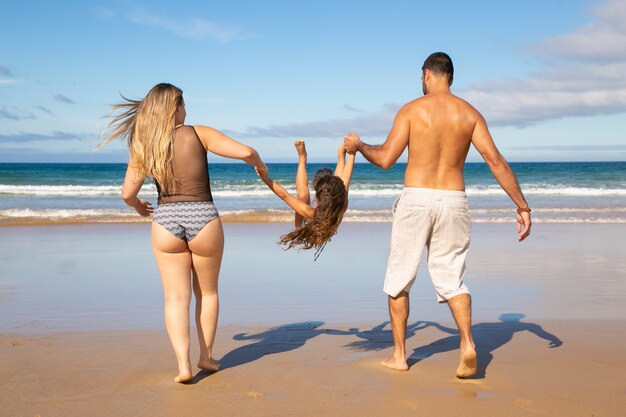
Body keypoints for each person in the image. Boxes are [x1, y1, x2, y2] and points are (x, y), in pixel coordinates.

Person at [344, 52, 531, 378]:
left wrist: (360, 146)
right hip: (454, 200)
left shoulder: (412, 110)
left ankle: (400, 356)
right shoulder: (469, 113)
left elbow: (387, 158)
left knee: (399, 279)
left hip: (416, 198)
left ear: (427, 75)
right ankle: (468, 344)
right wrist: (522, 206)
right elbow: (496, 161)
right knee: (451, 278)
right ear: (451, 77)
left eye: (421, 77)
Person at [100, 83, 267, 383]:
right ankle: (206, 356)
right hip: (203, 216)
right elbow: (247, 152)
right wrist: (261, 167)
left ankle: (183, 366)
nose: (186, 111)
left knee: (175, 298)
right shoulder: (199, 132)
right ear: (174, 107)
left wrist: (138, 206)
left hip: (165, 221)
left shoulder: (145, 143)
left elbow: (127, 193)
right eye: (183, 105)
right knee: (208, 292)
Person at [256, 140, 355, 258]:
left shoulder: (313, 212)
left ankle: (304, 159)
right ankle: (307, 158)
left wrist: (265, 178)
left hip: (302, 226)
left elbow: (284, 195)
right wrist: (350, 152)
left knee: (304, 195)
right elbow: (345, 179)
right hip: (310, 224)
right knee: (307, 194)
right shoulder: (341, 205)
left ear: (317, 198)